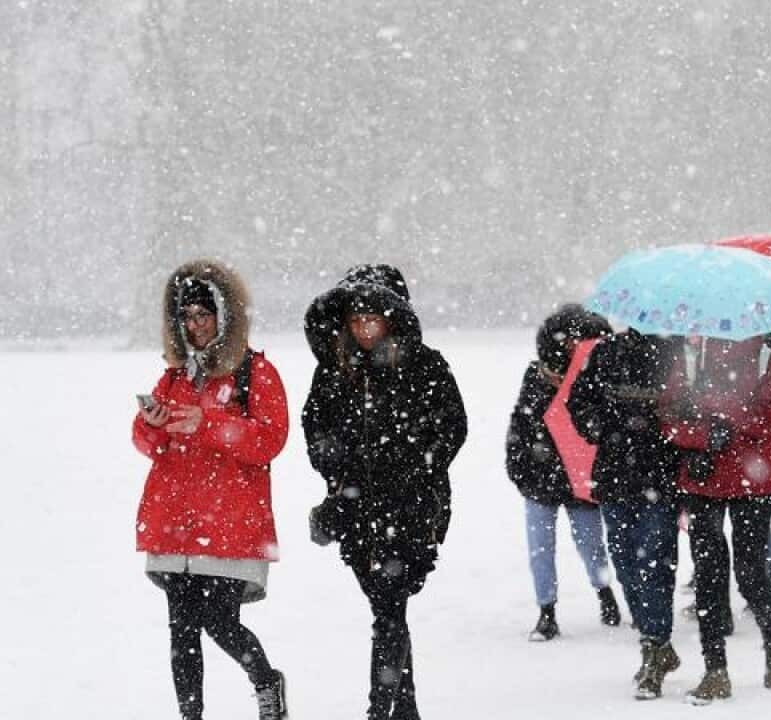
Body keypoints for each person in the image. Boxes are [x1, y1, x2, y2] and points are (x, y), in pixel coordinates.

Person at [303, 265, 467, 720]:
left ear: (393, 318)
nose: (363, 328)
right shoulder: (334, 372)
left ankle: (380, 709)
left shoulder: (425, 365)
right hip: (354, 509)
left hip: (412, 509)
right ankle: (406, 707)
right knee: (386, 607)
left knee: (388, 609)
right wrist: (330, 458)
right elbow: (313, 427)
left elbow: (453, 427)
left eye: (372, 318)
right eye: (355, 320)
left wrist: (416, 467)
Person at [132, 259, 289, 720]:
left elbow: (270, 439)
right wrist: (151, 425)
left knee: (221, 622)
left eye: (204, 315)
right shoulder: (177, 375)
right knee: (181, 631)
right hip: (175, 520)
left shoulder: (255, 372)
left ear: (225, 317)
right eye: (188, 318)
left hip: (228, 522)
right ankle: (191, 715)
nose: (196, 326)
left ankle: (265, 681)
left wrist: (211, 424)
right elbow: (149, 444)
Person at [660, 336, 771, 704]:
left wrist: (720, 420)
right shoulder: (689, 357)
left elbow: (768, 415)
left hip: (752, 478)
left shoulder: (766, 355)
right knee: (708, 574)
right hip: (703, 476)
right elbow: (668, 416)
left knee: (751, 572)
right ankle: (715, 669)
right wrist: (701, 437)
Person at [567, 327, 683, 700]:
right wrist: (598, 427)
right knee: (625, 565)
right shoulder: (607, 352)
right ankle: (656, 643)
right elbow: (578, 400)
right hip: (616, 476)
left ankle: (654, 645)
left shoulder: (677, 353)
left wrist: (670, 428)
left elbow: (691, 409)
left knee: (656, 565)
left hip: (661, 478)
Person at [506, 304, 622, 641]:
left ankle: (604, 593)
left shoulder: (594, 382)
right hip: (539, 480)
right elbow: (520, 428)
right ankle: (547, 610)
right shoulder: (536, 380)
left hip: (579, 482)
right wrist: (521, 471)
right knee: (540, 548)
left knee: (591, 544)